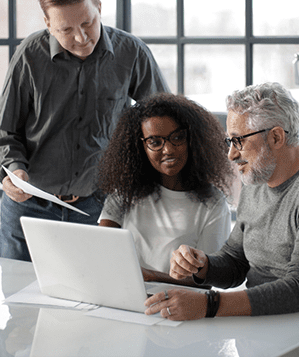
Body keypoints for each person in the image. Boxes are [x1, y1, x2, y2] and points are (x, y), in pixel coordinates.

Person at [144, 82, 299, 357]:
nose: (231, 154)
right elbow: (236, 262)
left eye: (239, 141)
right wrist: (201, 265)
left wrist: (208, 304)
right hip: (258, 337)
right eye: (229, 141)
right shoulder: (255, 182)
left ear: (276, 137)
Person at [0, 0, 169, 261]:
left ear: (98, 6)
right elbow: (4, 129)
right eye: (65, 30)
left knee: (93, 302)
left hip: (100, 207)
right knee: (20, 301)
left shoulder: (131, 53)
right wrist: (12, 170)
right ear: (47, 23)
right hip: (29, 208)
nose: (81, 38)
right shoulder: (29, 56)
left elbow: (164, 121)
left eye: (88, 23)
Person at [97, 93, 234, 285]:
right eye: (155, 142)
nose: (168, 149)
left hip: (182, 304)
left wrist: (151, 277)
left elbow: (205, 280)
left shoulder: (213, 203)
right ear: (140, 147)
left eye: (177, 137)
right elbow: (101, 250)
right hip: (125, 296)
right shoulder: (124, 193)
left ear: (192, 139)